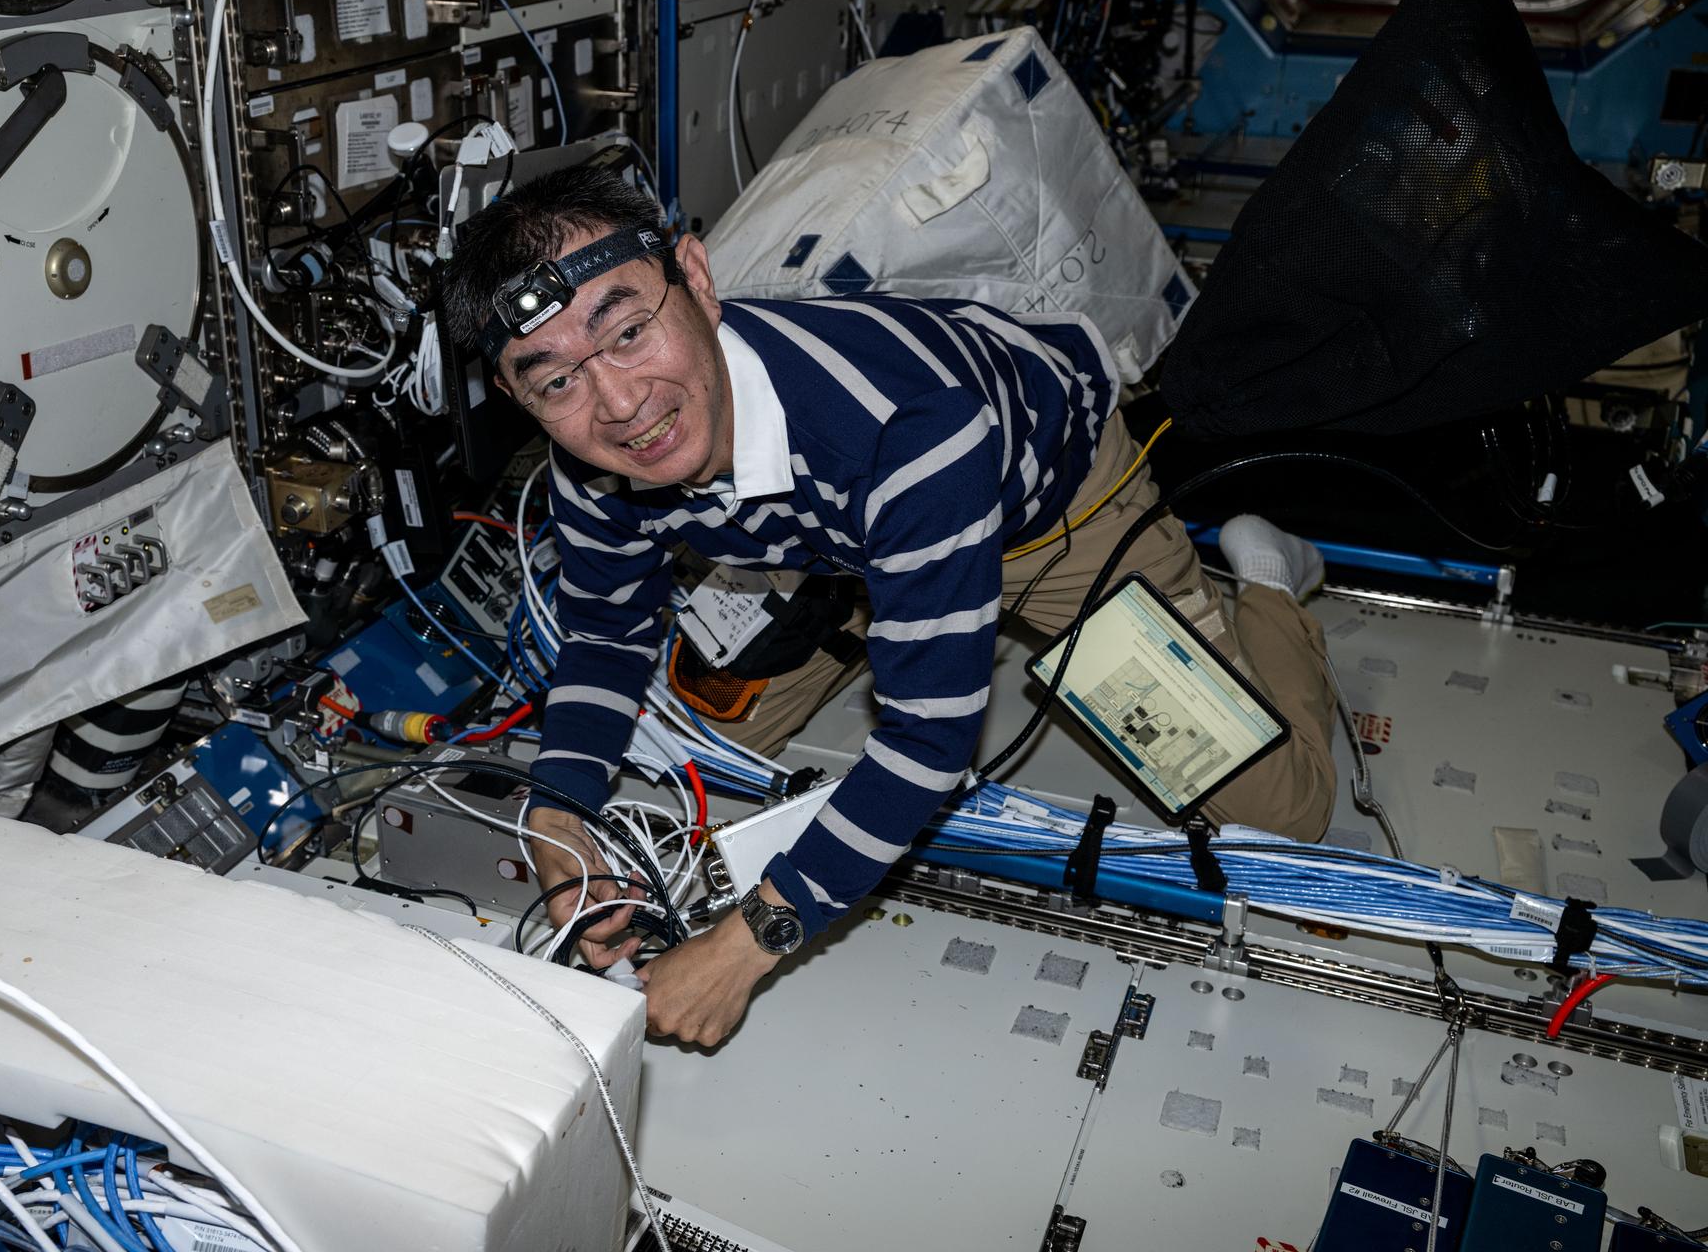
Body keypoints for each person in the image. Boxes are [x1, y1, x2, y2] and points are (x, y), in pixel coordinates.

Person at [441, 164, 1336, 1047]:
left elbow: (926, 743)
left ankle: (1268, 581)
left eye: (630, 329)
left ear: (698, 280)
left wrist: (747, 945)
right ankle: (886, 607)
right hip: (844, 546)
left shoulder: (905, 426)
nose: (623, 404)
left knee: (1279, 815)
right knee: (711, 760)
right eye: (556, 380)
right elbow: (607, 628)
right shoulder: (594, 462)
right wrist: (560, 808)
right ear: (522, 397)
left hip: (1049, 519)